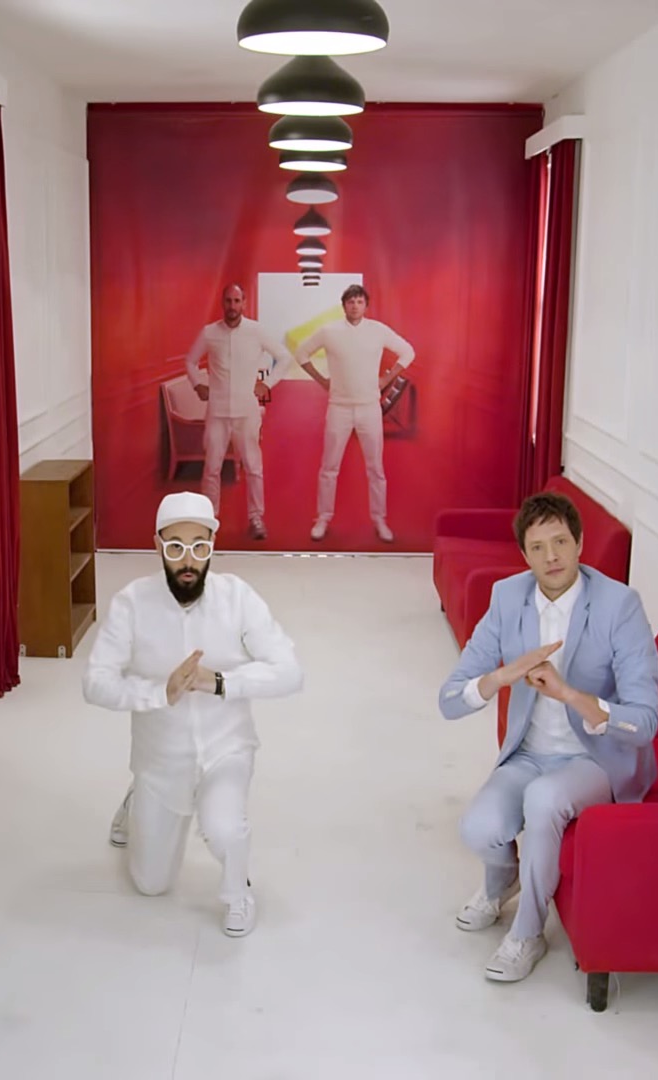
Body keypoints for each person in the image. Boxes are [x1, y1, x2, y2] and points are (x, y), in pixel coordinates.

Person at [437, 492, 658, 982]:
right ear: (524, 555)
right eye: (537, 547)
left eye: (561, 542)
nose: (551, 556)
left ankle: (528, 934)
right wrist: (501, 676)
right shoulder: (507, 597)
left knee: (543, 800)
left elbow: (644, 722)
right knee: (477, 828)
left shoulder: (619, 605)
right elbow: (450, 699)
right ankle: (503, 881)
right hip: (530, 754)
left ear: (580, 543)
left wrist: (569, 694)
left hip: (595, 758)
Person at [82, 491, 304, 936]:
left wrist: (219, 682)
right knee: (151, 884)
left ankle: (238, 892)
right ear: (158, 546)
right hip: (160, 760)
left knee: (224, 828)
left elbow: (290, 673)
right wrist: (159, 692)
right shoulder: (131, 603)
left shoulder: (238, 597)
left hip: (226, 750)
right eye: (176, 547)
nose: (188, 560)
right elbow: (95, 683)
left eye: (200, 547)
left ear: (212, 546)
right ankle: (137, 797)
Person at [292, 284, 415, 543]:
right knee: (329, 466)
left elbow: (408, 351)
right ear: (344, 305)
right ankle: (323, 518)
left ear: (366, 305)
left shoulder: (378, 330)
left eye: (359, 301)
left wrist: (386, 379)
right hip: (339, 406)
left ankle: (379, 519)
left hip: (369, 407)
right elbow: (301, 353)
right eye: (350, 301)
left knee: (375, 467)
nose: (355, 306)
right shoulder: (329, 331)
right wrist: (322, 380)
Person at [185, 284, 291, 540]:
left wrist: (267, 383)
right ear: (222, 303)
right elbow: (190, 361)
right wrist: (197, 384)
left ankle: (256, 517)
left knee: (253, 466)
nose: (232, 306)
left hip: (246, 411)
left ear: (244, 302)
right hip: (217, 411)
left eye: (236, 301)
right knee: (212, 467)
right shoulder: (210, 333)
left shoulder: (256, 331)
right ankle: (209, 517)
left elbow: (284, 357)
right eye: (228, 301)